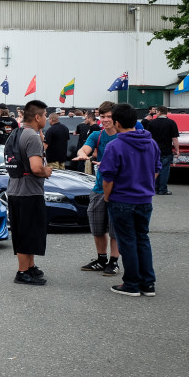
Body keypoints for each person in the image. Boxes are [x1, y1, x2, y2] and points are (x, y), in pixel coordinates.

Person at [100, 103, 161, 297]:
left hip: (122, 199)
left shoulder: (115, 145)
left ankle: (132, 283)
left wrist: (107, 197)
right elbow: (157, 170)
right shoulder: (151, 143)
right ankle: (148, 283)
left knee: (127, 240)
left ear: (117, 122)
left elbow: (108, 177)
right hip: (144, 199)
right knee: (142, 239)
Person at [73, 101, 122, 276]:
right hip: (99, 188)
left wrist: (109, 163)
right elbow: (84, 149)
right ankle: (101, 259)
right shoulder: (97, 135)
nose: (106, 120)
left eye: (109, 116)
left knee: (114, 228)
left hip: (118, 189)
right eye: (103, 117)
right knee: (97, 226)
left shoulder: (123, 136)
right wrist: (82, 155)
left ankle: (114, 262)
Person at [6, 100, 51, 285]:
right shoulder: (32, 136)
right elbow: (36, 168)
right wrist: (46, 171)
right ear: (38, 117)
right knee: (27, 232)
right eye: (45, 115)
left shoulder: (16, 133)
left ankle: (30, 267)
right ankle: (22, 272)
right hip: (29, 192)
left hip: (15, 189)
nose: (47, 119)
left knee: (27, 231)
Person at [144, 105, 180, 195]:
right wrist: (177, 150)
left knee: (154, 169)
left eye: (156, 112)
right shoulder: (171, 123)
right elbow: (174, 138)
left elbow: (148, 138)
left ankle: (155, 188)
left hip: (154, 150)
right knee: (164, 170)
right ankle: (163, 189)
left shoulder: (152, 123)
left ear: (159, 112)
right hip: (166, 150)